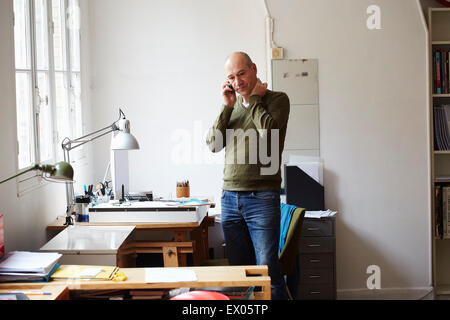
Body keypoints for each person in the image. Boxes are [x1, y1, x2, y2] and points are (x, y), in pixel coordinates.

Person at [206, 52, 291, 300]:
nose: (237, 81)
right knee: (240, 273)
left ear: (253, 69)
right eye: (231, 77)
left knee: (267, 273)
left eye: (241, 73)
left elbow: (270, 134)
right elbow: (213, 143)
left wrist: (254, 99)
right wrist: (226, 106)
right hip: (230, 198)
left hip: (262, 197)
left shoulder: (277, 99)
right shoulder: (231, 107)